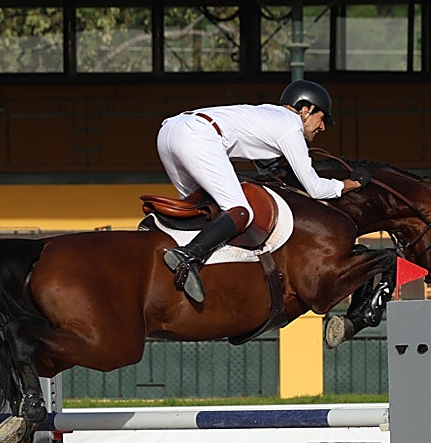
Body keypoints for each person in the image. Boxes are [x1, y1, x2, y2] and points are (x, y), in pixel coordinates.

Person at [156, 79, 369, 303]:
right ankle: (187, 256)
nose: (322, 127)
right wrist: (351, 184)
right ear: (306, 110)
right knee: (240, 210)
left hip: (170, 130)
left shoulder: (270, 115)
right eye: (322, 118)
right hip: (198, 136)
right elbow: (315, 188)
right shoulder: (291, 126)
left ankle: (181, 253)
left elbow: (273, 171)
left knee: (199, 206)